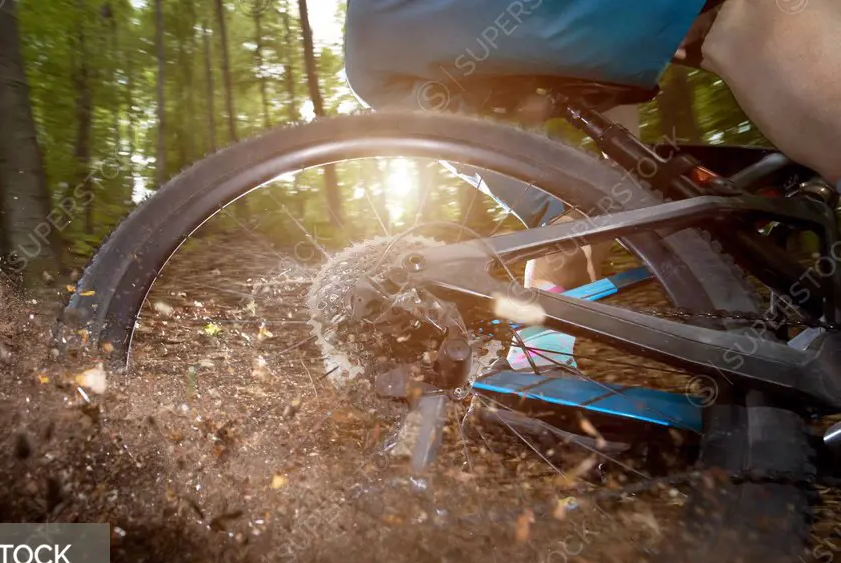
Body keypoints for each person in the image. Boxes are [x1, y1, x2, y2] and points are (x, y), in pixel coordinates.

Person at [343, 0, 841, 369]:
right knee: (760, 11)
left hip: (399, 51)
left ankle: (542, 361)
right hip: (436, 23)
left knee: (588, 206)